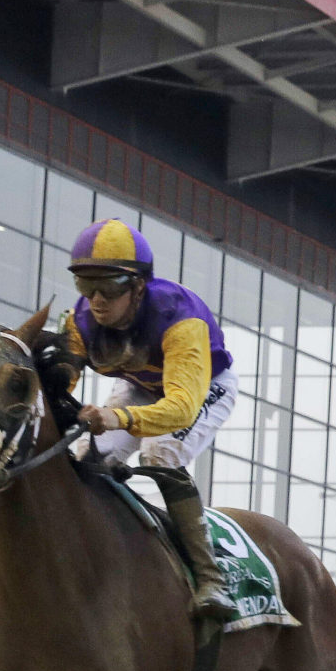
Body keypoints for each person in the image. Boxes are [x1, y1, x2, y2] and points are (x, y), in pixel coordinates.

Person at [58, 217, 268, 624]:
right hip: (139, 385)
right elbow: (60, 383)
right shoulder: (79, 321)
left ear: (138, 286)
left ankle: (211, 579)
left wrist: (115, 417)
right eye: (86, 286)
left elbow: (181, 408)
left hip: (204, 386)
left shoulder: (179, 317)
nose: (96, 300)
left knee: (160, 454)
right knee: (86, 456)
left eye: (109, 287)